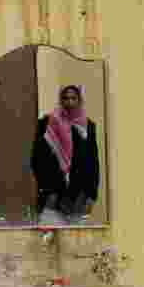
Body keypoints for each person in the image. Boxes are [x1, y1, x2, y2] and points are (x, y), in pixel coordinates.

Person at [30, 84, 100, 226]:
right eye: (65, 98)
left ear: (79, 101)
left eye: (73, 98)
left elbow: (93, 163)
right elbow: (36, 160)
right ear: (60, 101)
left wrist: (91, 196)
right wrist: (47, 189)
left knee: (75, 245)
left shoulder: (88, 126)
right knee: (49, 243)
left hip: (78, 199)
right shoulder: (46, 123)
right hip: (52, 198)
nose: (69, 102)